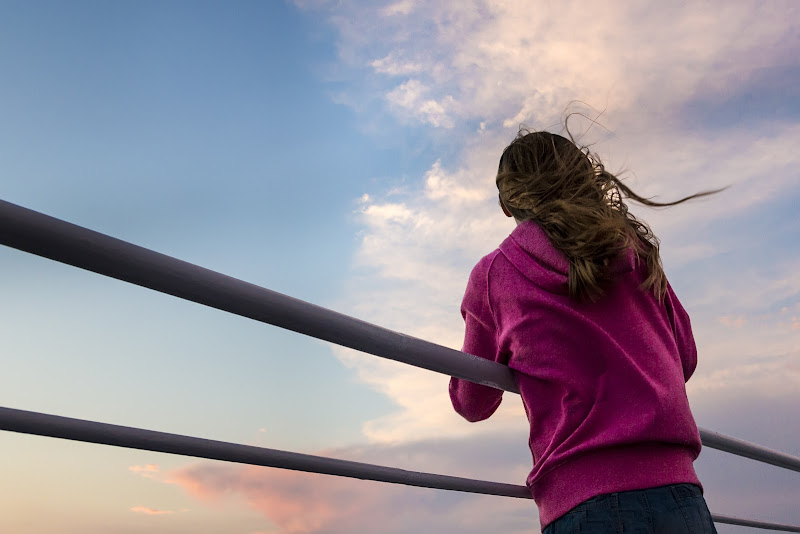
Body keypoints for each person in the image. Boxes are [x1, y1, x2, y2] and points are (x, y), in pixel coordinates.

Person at [449, 127, 724, 534]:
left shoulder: (494, 274)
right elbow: (685, 356)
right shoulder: (635, 248)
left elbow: (473, 402)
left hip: (582, 505)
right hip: (679, 496)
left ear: (507, 205)